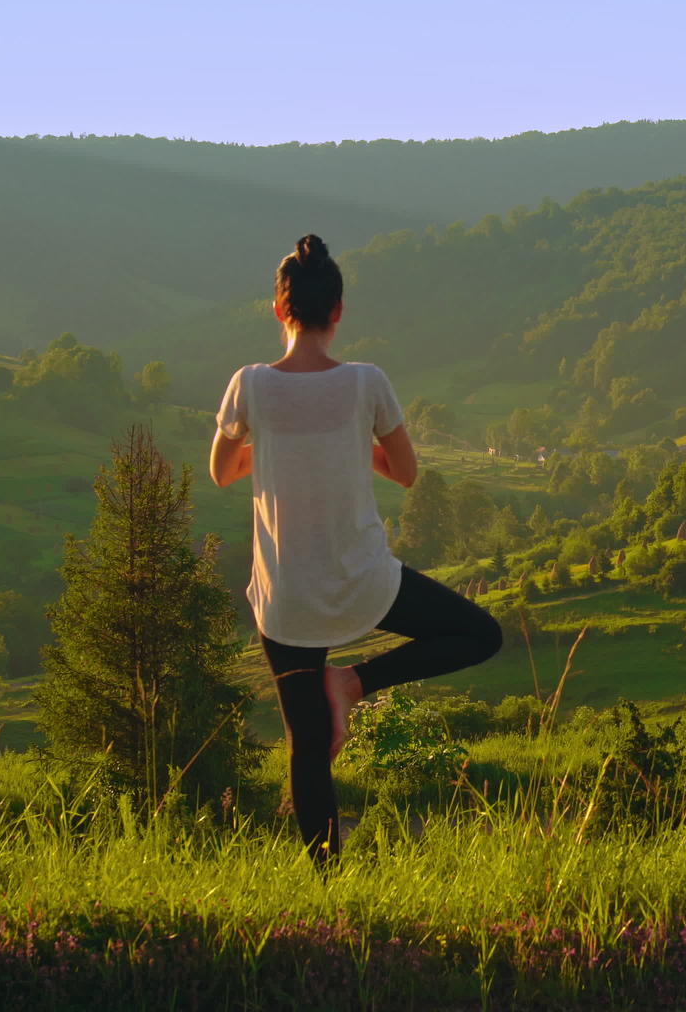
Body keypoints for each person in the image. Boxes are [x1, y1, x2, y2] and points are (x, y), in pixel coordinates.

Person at [209, 234, 501, 863]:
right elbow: (404, 472)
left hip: (286, 596)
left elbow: (223, 471)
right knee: (480, 635)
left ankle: (327, 893)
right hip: (365, 578)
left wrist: (286, 442)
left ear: (278, 310)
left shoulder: (250, 385)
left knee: (306, 749)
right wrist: (341, 439)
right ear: (338, 312)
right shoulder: (368, 382)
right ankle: (359, 682)